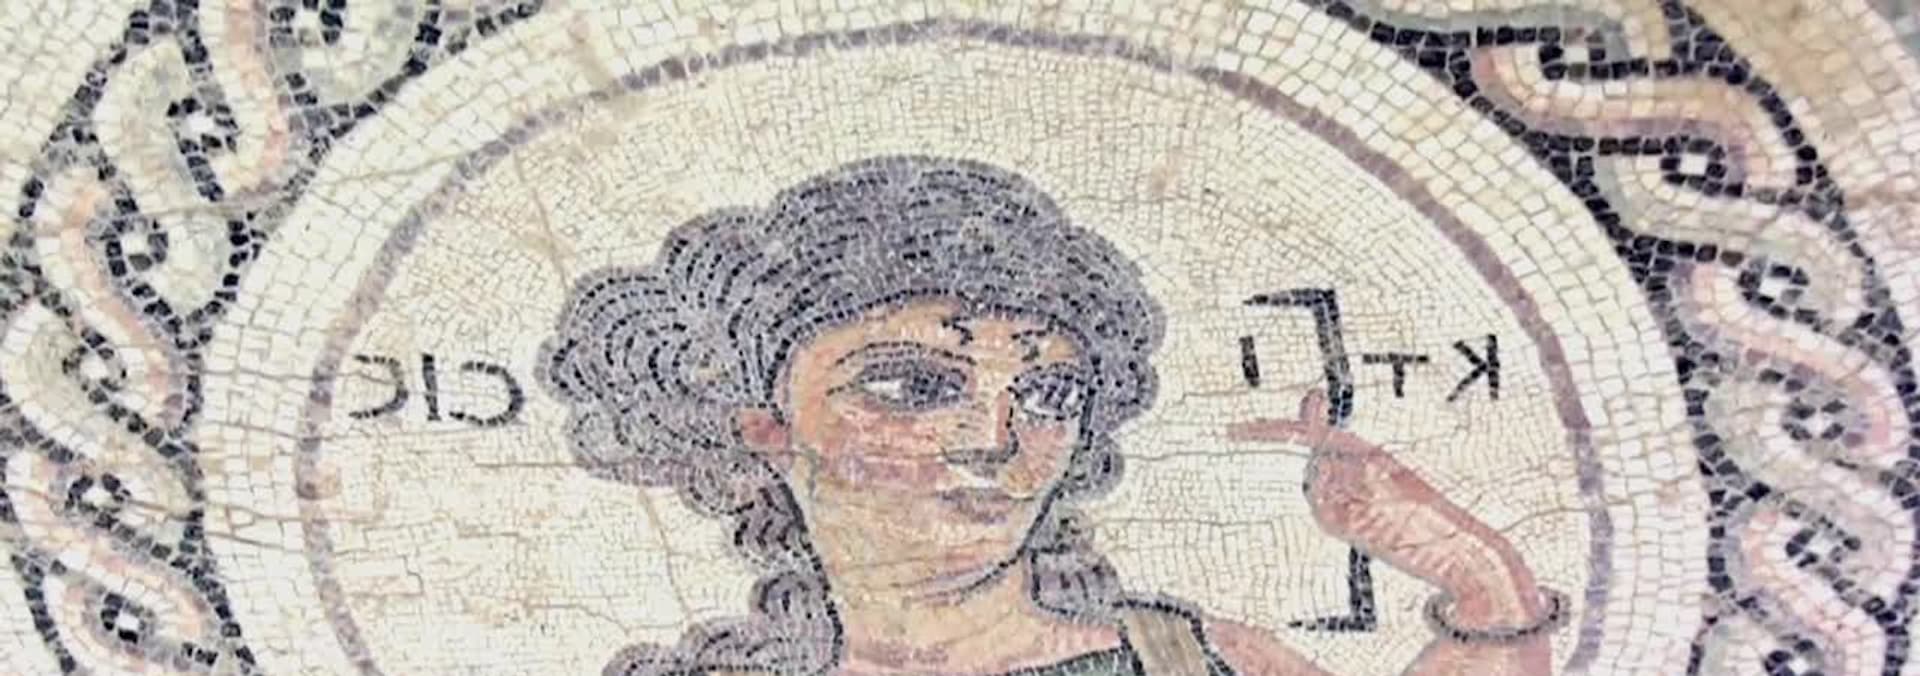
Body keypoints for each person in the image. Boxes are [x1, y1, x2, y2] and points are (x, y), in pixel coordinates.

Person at [537, 155, 1566, 675]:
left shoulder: (1182, 661)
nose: (997, 442)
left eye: (1046, 395)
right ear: (764, 427)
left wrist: (1479, 574)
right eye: (912, 387)